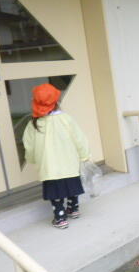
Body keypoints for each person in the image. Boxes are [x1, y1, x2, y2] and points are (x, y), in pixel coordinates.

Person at [23, 83, 90, 229]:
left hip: (49, 167)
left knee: (56, 193)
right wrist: (84, 155)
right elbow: (79, 139)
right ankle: (73, 209)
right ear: (57, 101)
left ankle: (60, 217)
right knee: (72, 187)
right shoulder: (66, 119)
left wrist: (31, 159)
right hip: (69, 164)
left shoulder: (34, 123)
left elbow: (29, 145)